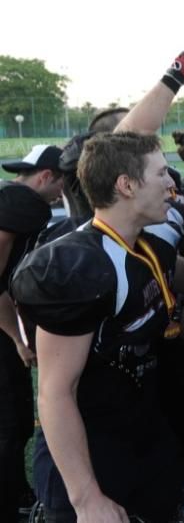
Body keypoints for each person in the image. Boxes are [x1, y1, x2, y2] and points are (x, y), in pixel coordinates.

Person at [12, 133, 184, 521]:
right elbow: (56, 393)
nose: (171, 183)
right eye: (161, 173)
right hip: (90, 455)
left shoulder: (148, 247)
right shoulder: (77, 267)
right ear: (126, 185)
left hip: (142, 439)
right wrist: (86, 497)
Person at [0, 145, 65, 520]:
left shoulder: (11, 194)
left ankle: (15, 491)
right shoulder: (20, 204)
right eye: (59, 184)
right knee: (11, 423)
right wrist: (17, 339)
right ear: (44, 176)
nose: (61, 194)